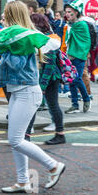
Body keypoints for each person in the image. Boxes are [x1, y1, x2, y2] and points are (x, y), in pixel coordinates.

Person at [0, 0, 66, 193]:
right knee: (17, 138)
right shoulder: (14, 37)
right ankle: (23, 180)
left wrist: (8, 47)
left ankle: (53, 166)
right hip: (20, 92)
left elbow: (16, 65)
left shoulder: (25, 38)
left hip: (27, 93)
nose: (3, 18)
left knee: (16, 140)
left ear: (13, 15)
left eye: (6, 14)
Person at [29, 14, 66, 145]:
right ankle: (59, 134)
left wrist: (42, 86)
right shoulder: (47, 37)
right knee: (50, 104)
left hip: (50, 77)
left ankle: (60, 134)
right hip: (50, 77)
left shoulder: (47, 40)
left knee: (52, 105)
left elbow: (49, 66)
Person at [63, 0, 92, 114]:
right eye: (66, 12)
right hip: (70, 56)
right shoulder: (71, 25)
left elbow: (85, 41)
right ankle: (74, 105)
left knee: (76, 78)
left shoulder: (81, 25)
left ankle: (86, 98)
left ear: (77, 12)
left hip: (79, 56)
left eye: (70, 12)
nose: (67, 14)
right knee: (71, 80)